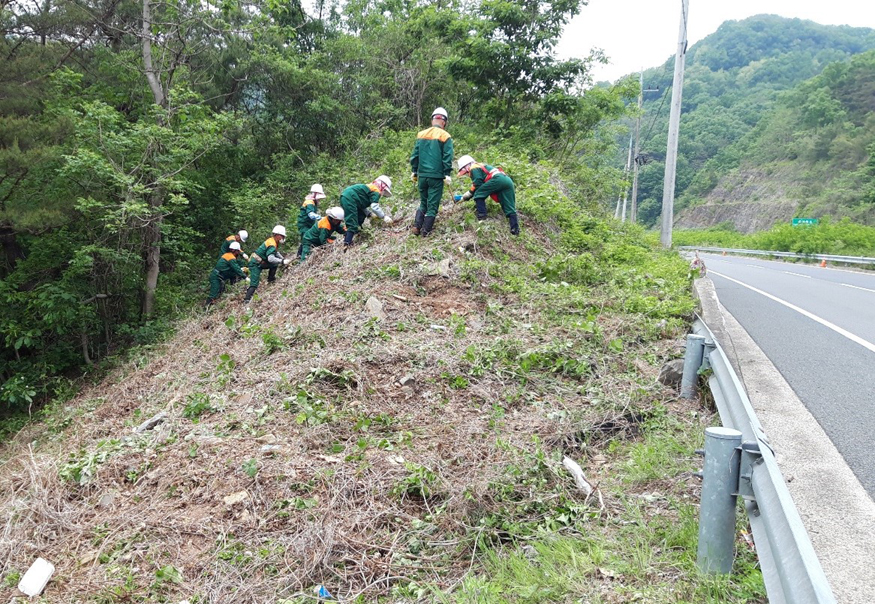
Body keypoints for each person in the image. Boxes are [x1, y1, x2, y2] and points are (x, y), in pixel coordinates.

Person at [410, 107, 454, 236]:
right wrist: (447, 174)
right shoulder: (445, 136)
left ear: (432, 120)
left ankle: (417, 227)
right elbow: (447, 156)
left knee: (424, 202)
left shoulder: (421, 134)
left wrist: (414, 171)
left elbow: (415, 155)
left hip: (422, 175)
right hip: (436, 176)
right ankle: (426, 231)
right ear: (444, 122)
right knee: (433, 204)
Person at [455, 155, 520, 235]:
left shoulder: (473, 168)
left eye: (465, 171)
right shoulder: (480, 166)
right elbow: (478, 185)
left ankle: (482, 216)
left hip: (497, 179)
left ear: (467, 165)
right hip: (507, 180)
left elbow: (478, 185)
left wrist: (468, 195)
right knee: (508, 204)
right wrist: (465, 196)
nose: (467, 173)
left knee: (479, 194)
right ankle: (515, 229)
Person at [339, 176, 393, 247]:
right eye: (384, 191)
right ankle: (347, 242)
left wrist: (369, 214)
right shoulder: (376, 191)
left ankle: (358, 232)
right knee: (352, 220)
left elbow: (361, 204)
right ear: (382, 187)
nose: (383, 193)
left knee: (361, 215)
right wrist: (383, 216)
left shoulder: (370, 188)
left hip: (349, 197)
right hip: (349, 198)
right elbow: (374, 207)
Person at [244, 225, 289, 303]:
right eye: (282, 236)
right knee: (254, 283)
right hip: (255, 263)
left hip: (261, 262)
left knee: (274, 265)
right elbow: (271, 259)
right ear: (278, 235)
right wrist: (282, 261)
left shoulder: (273, 241)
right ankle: (247, 300)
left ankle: (271, 280)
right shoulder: (272, 243)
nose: (283, 238)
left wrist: (283, 259)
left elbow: (276, 253)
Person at [206, 241, 247, 307]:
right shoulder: (231, 258)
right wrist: (245, 277)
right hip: (216, 276)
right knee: (214, 292)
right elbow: (236, 268)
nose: (239, 252)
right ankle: (207, 307)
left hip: (220, 275)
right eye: (238, 251)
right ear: (235, 251)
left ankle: (214, 305)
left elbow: (234, 267)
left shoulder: (227, 255)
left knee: (220, 290)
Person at [296, 184, 327, 257]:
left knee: (308, 238)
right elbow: (311, 214)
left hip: (309, 224)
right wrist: (320, 218)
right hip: (304, 224)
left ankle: (302, 254)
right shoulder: (309, 202)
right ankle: (301, 256)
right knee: (306, 238)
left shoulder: (313, 202)